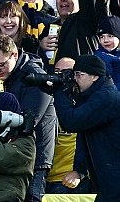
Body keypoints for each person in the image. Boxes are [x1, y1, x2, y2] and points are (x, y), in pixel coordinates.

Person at [0, 34, 57, 201]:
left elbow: (27, 122)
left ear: (14, 55)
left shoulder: (35, 76)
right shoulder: (7, 75)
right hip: (13, 156)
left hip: (35, 160)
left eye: (0, 65)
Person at [52, 54, 120, 200]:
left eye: (79, 74)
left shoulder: (106, 97)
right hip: (107, 179)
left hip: (114, 177)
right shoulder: (93, 96)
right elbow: (83, 136)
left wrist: (59, 91)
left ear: (94, 77)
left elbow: (72, 121)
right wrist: (80, 170)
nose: (75, 79)